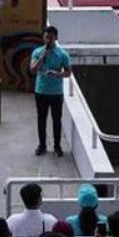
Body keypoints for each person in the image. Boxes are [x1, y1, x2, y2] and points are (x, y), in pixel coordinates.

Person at [30, 26, 71, 157]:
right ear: (43, 38)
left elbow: (68, 73)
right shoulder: (37, 52)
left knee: (56, 120)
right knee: (41, 119)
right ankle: (42, 145)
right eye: (46, 37)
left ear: (56, 38)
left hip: (56, 92)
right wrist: (42, 57)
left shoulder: (62, 54)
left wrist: (57, 74)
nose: (49, 40)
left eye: (51, 38)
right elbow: (32, 70)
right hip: (41, 91)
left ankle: (57, 146)